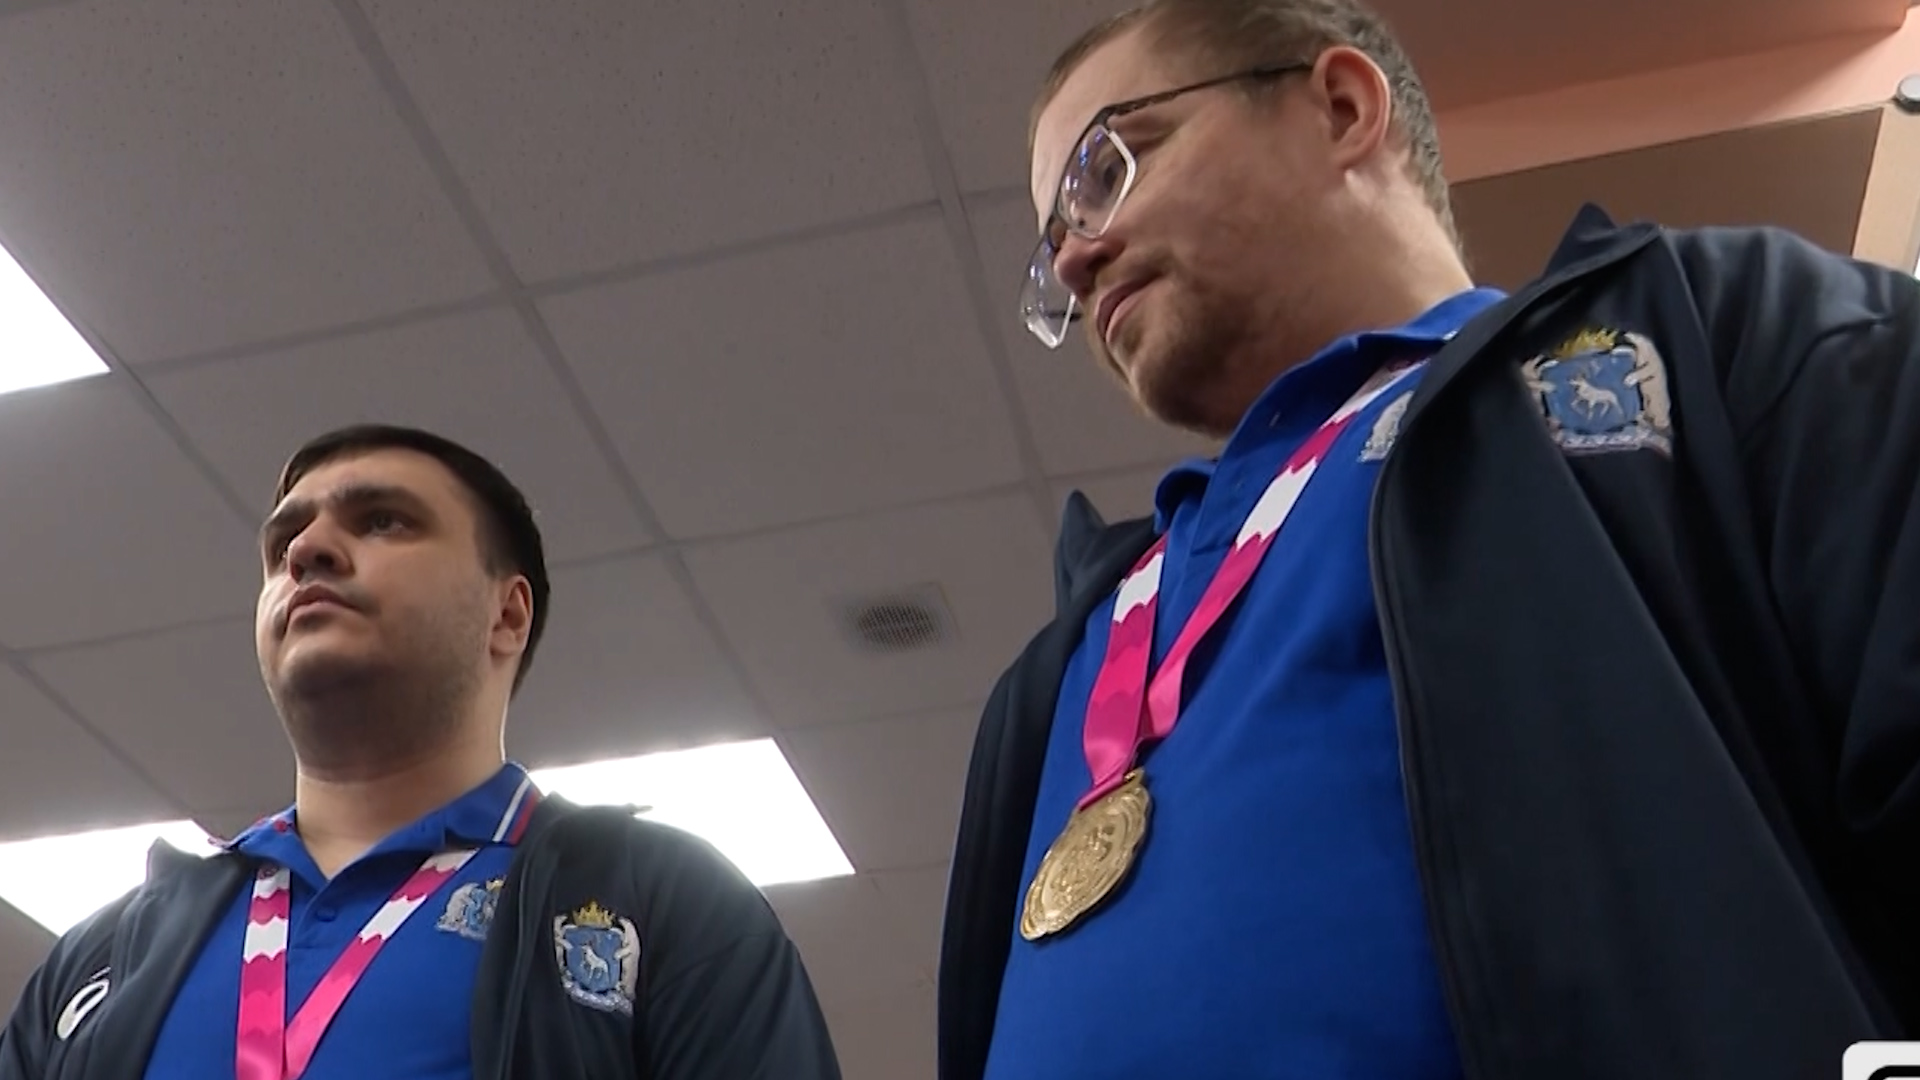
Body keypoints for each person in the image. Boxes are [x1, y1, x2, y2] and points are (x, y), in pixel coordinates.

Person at [938, 0, 1920, 1077]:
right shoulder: (1065, 661)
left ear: (1342, 107)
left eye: (1106, 169)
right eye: (1052, 245)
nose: (1076, 261)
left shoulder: (1709, 342)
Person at [0, 424, 842, 1079]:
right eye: (284, 544)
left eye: (382, 520)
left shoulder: (660, 900)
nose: (306, 552)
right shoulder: (105, 954)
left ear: (507, 615)